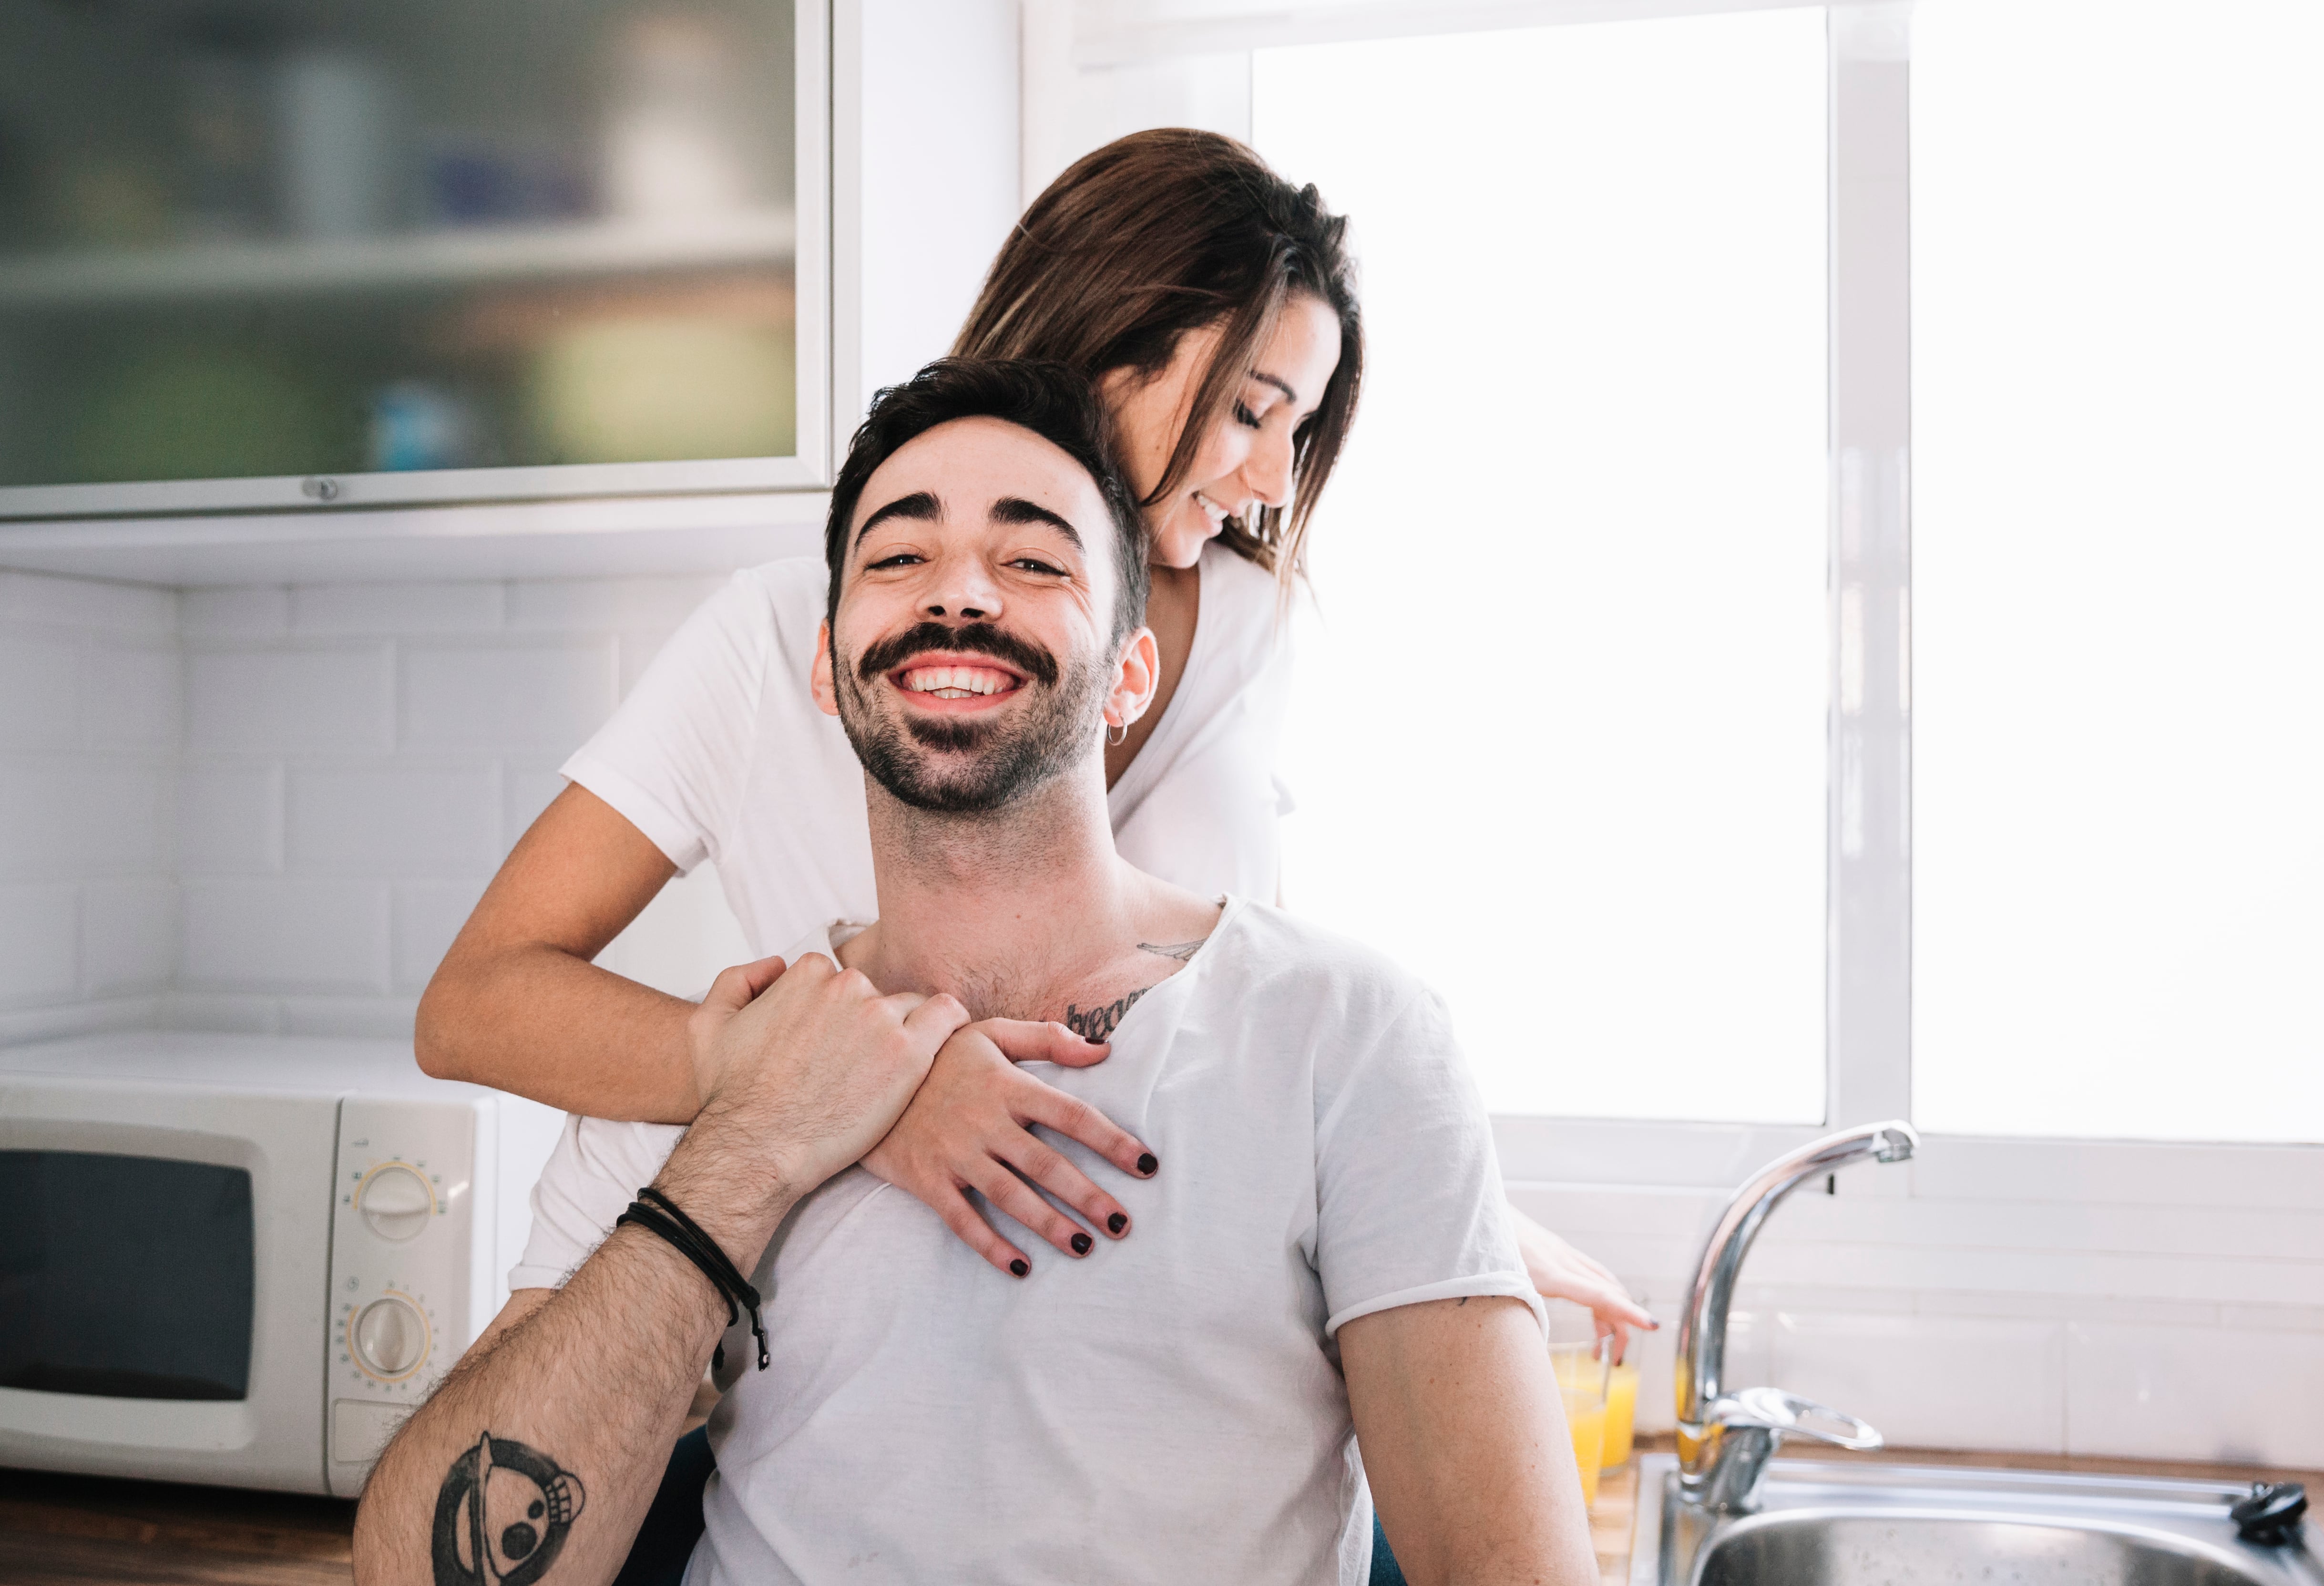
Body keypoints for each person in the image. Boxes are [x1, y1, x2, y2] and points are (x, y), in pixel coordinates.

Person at [355, 360, 1595, 1586]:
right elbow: (422, 1574)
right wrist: (746, 1150)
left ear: (1129, 676)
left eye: (1035, 560)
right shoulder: (735, 1055)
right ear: (830, 668)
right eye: (897, 559)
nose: (957, 593)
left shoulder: (1349, 1037)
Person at [416, 129, 1650, 1333]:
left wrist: (1436, 1213)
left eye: (1299, 429)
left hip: (1182, 1331)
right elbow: (476, 1003)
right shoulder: (798, 629)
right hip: (869, 1353)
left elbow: (1244, 1030)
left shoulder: (1245, 625)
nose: (1275, 477)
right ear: (1109, 348)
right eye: (1249, 413)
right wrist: (843, 1087)